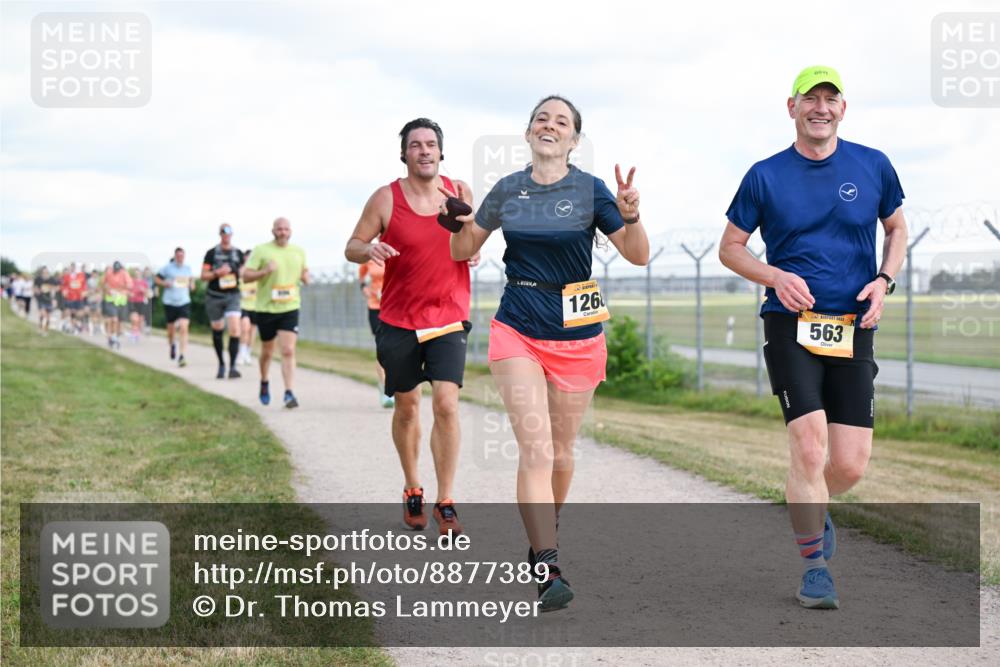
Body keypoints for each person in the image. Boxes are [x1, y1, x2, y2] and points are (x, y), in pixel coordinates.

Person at [449, 95, 649, 612]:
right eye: (542, 118)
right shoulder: (507, 189)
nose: (550, 125)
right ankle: (547, 563)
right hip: (517, 323)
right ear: (528, 132)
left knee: (561, 453)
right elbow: (462, 250)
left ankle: (544, 532)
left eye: (561, 122)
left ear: (574, 140)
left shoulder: (589, 189)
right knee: (536, 449)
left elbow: (637, 253)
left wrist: (632, 215)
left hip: (578, 333)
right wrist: (459, 225)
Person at [719, 66, 907, 610]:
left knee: (847, 465)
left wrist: (884, 280)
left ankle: (809, 499)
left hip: (852, 326)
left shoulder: (873, 165)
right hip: (789, 324)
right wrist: (774, 276)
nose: (820, 107)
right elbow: (731, 248)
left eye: (830, 98)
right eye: (810, 99)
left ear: (842, 109)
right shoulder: (765, 175)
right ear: (792, 107)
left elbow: (896, 228)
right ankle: (815, 569)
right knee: (808, 446)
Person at [345, 118, 478, 537]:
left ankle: (447, 500)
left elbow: (474, 235)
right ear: (404, 154)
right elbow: (351, 247)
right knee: (407, 407)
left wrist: (472, 251)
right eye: (416, 145)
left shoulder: (458, 192)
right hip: (399, 318)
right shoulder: (386, 198)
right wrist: (370, 246)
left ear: (441, 152)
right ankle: (412, 487)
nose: (424, 150)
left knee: (446, 404)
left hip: (448, 314)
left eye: (431, 144)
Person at [243, 217, 309, 408]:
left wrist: (306, 277)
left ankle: (289, 393)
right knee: (267, 352)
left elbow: (305, 274)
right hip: (266, 308)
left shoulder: (299, 251)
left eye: (286, 229)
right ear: (273, 231)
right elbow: (245, 276)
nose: (282, 232)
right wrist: (264, 271)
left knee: (288, 350)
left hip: (290, 307)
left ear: (291, 231)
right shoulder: (261, 250)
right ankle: (264, 381)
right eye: (279, 229)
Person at [201, 223, 246, 379]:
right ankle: (221, 364)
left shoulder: (238, 253)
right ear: (219, 234)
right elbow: (203, 275)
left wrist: (235, 270)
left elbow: (244, 272)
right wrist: (217, 272)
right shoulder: (211, 253)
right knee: (218, 328)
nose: (226, 235)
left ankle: (232, 367)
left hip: (232, 295)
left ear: (232, 234)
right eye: (223, 232)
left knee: (235, 329)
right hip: (214, 296)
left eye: (229, 232)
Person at [359, 258, 394, 408]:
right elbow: (362, 277)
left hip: (395, 305)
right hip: (375, 306)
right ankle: (385, 387)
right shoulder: (370, 255)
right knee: (383, 346)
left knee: (395, 347)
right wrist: (364, 288)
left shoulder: (399, 250)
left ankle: (396, 384)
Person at [155, 248, 195, 367]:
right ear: (175, 256)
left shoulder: (188, 268)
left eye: (182, 256)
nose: (180, 258)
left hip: (184, 301)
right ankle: (172, 345)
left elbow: (192, 283)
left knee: (184, 327)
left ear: (184, 256)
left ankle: (182, 355)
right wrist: (164, 283)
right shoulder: (167, 268)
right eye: (178, 256)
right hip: (170, 302)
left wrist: (191, 285)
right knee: (171, 329)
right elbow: (157, 279)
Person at [101, 261, 132, 349]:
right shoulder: (108, 273)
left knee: (119, 321)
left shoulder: (125, 274)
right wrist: (108, 290)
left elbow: (129, 285)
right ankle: (112, 337)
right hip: (110, 300)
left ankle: (114, 337)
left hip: (121, 301)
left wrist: (121, 289)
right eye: (115, 269)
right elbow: (103, 284)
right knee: (113, 319)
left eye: (118, 270)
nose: (116, 271)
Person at [238, 248, 258, 366]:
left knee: (252, 331)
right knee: (244, 328)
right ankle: (241, 353)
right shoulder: (241, 270)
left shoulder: (257, 271)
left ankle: (248, 353)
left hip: (255, 305)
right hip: (243, 304)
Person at [61, 262, 88, 334]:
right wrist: (64, 291)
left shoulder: (81, 275)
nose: (73, 269)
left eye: (74, 267)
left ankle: (75, 324)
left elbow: (84, 285)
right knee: (71, 312)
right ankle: (72, 326)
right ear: (70, 268)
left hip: (79, 297)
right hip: (70, 297)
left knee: (79, 313)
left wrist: (85, 291)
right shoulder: (67, 276)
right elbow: (64, 285)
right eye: (72, 267)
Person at [33, 266, 60, 336]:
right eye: (44, 272)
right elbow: (35, 288)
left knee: (47, 316)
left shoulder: (52, 279)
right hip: (41, 299)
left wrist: (54, 298)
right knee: (43, 314)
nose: (45, 273)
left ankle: (45, 330)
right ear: (41, 272)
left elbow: (57, 288)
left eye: (46, 272)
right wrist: (37, 291)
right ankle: (41, 328)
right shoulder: (38, 279)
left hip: (49, 300)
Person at [126, 268, 150, 343]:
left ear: (140, 274)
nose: (137, 274)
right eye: (135, 273)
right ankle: (133, 334)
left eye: (138, 273)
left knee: (140, 320)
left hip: (141, 302)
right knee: (134, 319)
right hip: (132, 302)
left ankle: (136, 334)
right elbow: (126, 291)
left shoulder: (144, 282)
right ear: (134, 274)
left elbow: (148, 294)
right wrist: (129, 294)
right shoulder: (131, 282)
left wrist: (144, 290)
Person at [85, 268, 103, 336]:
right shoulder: (89, 281)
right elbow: (87, 290)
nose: (95, 275)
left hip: (98, 299)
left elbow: (100, 289)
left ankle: (99, 328)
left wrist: (99, 294)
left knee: (99, 313)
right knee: (91, 314)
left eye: (96, 274)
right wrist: (91, 291)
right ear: (92, 274)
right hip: (91, 299)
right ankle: (91, 329)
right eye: (93, 274)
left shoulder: (99, 280)